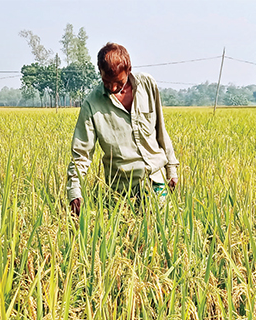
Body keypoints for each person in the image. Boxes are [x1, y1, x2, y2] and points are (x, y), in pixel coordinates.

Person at [66, 43, 179, 216]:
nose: (112, 88)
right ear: (100, 72)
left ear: (129, 70)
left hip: (157, 180)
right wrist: (75, 193)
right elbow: (81, 154)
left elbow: (160, 130)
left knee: (159, 233)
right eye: (106, 82)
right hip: (122, 190)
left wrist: (171, 169)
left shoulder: (147, 85)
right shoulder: (92, 104)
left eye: (118, 82)